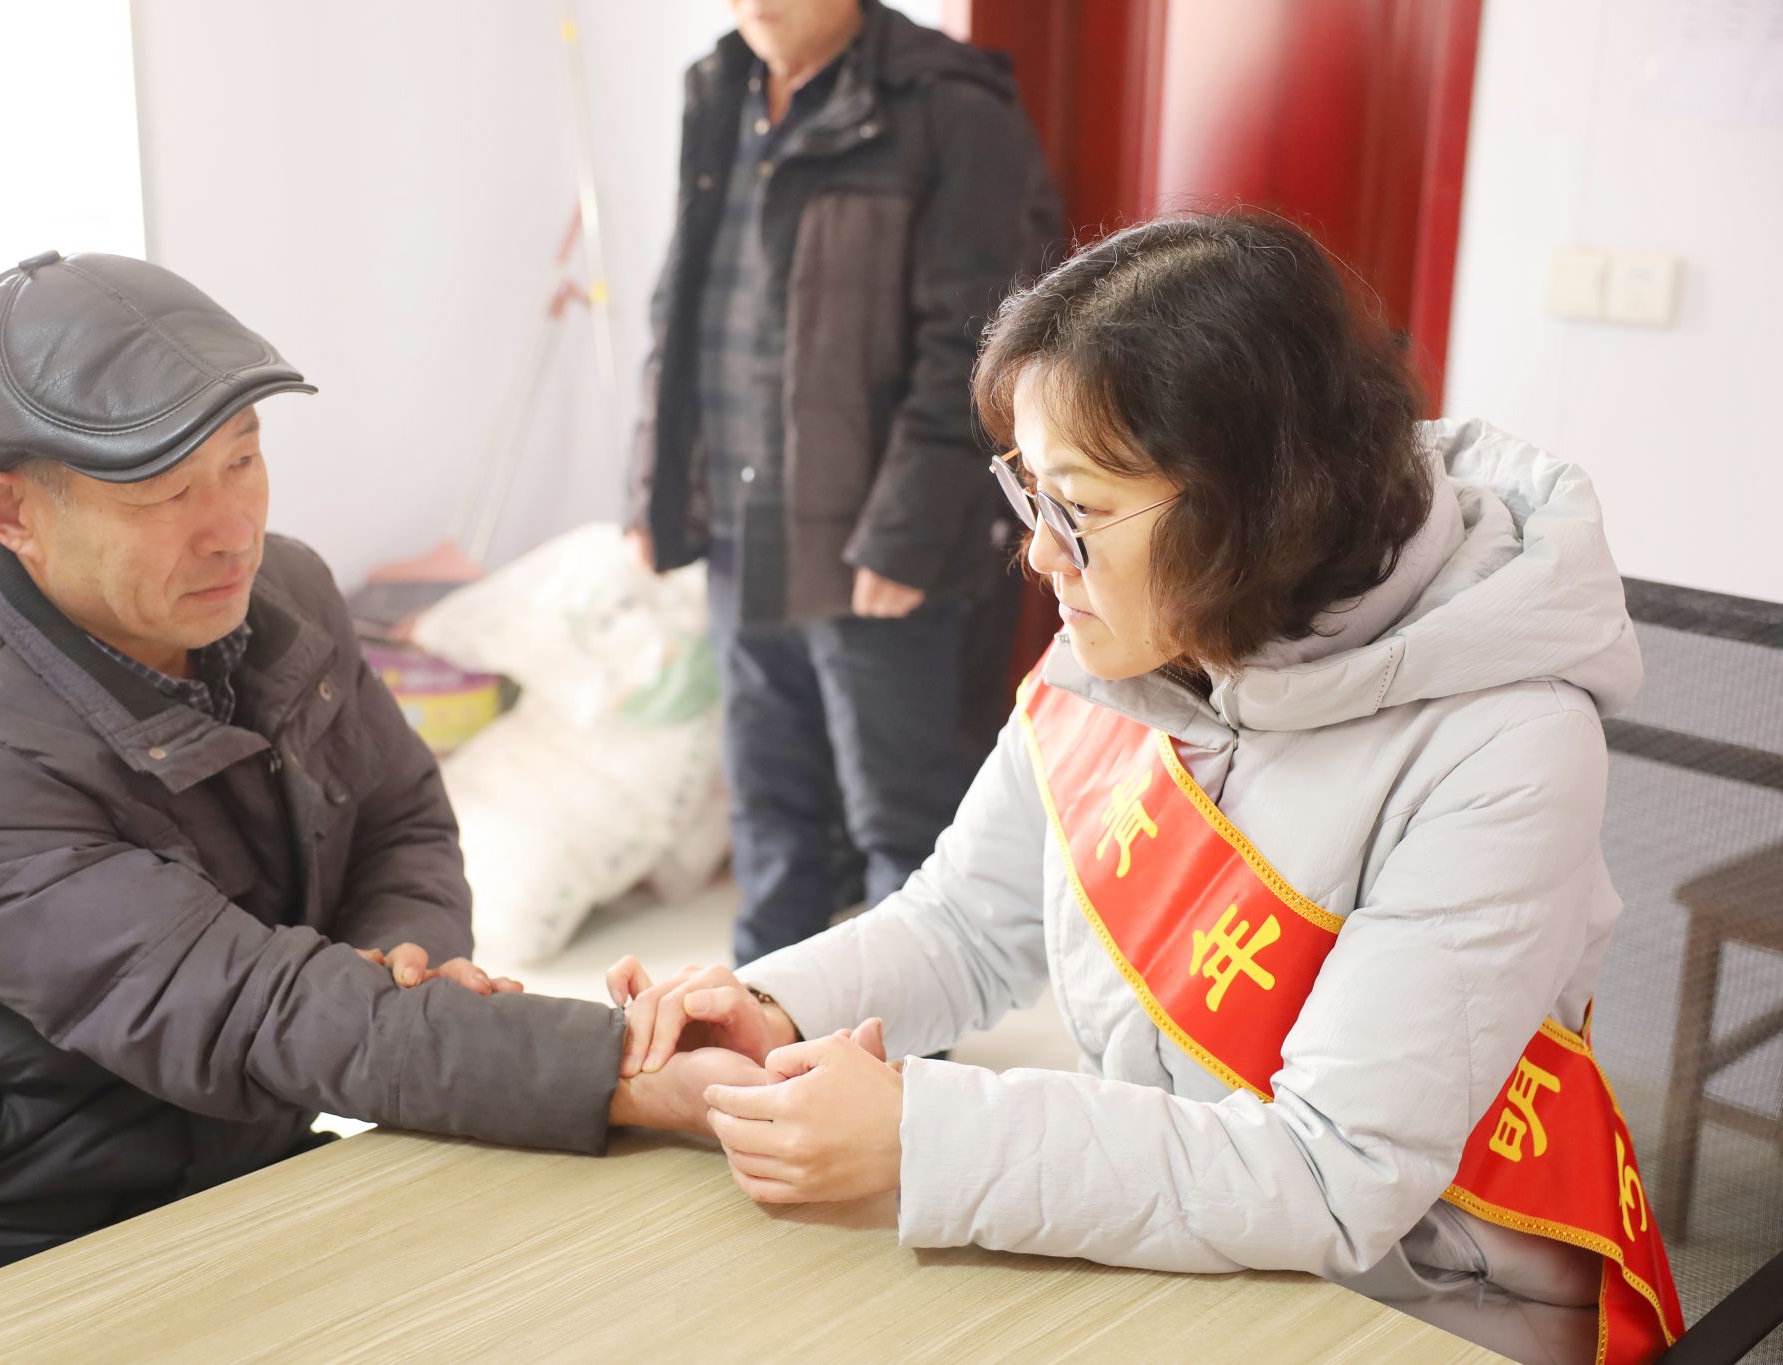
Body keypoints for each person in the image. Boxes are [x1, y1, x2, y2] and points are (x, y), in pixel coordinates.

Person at [609, 213, 1685, 1365]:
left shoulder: (1506, 745)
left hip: (1420, 1305)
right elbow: (965, 924)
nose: (1039, 553)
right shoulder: (1142, 623)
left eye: (1075, 507)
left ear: (1251, 504)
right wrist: (774, 1009)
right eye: (1030, 492)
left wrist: (924, 1137)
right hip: (1185, 1241)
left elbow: (1331, 1176)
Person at [0, 252, 758, 1338]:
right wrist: (620, 1069)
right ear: (11, 513)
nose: (230, 528)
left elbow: (399, 818)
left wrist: (402, 958)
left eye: (242, 459)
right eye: (164, 493)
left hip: (225, 1162)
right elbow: (247, 1009)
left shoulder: (282, 593)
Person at [625, 0, 1059, 965]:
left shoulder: (951, 102)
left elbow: (976, 343)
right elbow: (681, 300)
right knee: (767, 803)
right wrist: (652, 481)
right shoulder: (718, 84)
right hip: (742, 515)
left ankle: (904, 1039)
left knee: (903, 821)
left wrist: (906, 533)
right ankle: (758, 1011)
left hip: (875, 530)